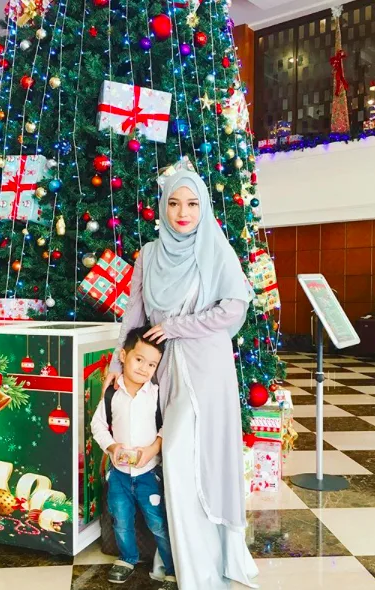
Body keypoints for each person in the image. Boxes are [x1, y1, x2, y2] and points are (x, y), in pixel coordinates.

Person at [104, 170, 259, 590]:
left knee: (194, 454)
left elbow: (234, 307)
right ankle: (182, 558)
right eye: (174, 203)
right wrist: (118, 361)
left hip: (207, 368)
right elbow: (135, 313)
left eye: (192, 204)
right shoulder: (149, 255)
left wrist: (176, 326)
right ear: (163, 206)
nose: (182, 212)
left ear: (203, 207)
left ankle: (206, 563)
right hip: (165, 370)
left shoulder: (216, 249)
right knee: (173, 461)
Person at [91, 326, 176, 589]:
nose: (144, 368)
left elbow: (169, 426)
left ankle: (172, 568)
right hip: (119, 475)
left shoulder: (156, 394)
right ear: (123, 356)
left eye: (151, 364)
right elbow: (98, 425)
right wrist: (112, 446)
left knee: (158, 522)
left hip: (148, 474)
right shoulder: (112, 394)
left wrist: (152, 450)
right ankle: (127, 558)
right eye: (139, 359)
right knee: (121, 519)